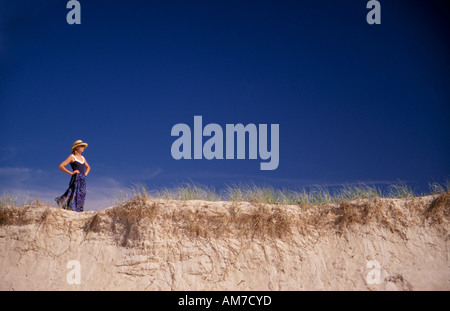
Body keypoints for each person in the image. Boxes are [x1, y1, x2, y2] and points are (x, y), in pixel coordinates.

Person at [55, 140, 90, 212]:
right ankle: (69, 207)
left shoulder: (83, 158)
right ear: (76, 147)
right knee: (73, 192)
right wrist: (71, 173)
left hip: (82, 178)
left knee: (82, 193)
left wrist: (85, 174)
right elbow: (61, 166)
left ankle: (79, 210)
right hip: (76, 177)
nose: (83, 147)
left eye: (83, 146)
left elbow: (88, 167)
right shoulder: (72, 157)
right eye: (81, 146)